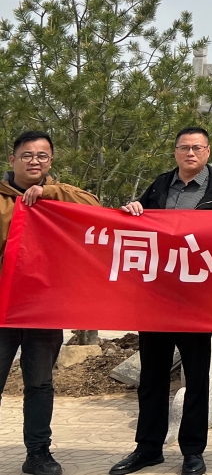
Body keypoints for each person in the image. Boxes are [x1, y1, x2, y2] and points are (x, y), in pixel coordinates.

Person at [110, 126, 212, 475]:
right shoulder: (159, 186)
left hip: (198, 300)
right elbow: (138, 227)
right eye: (184, 147)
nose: (190, 153)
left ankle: (193, 451)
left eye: (197, 148)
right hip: (156, 298)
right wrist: (132, 209)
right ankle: (148, 448)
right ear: (175, 152)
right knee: (152, 377)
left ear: (208, 152)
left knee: (196, 379)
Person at [1, 130, 102, 475]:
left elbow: (96, 208)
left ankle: (38, 454)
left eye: (42, 155)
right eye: (27, 155)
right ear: (13, 159)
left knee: (40, 383)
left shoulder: (60, 197)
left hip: (43, 309)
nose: (35, 161)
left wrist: (49, 192)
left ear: (51, 161)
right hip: (3, 308)